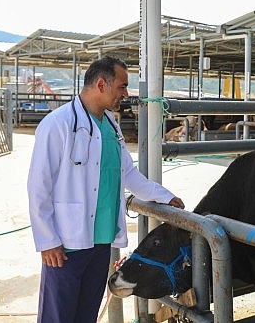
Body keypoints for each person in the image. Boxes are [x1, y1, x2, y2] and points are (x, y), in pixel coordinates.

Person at [27, 56, 185, 323]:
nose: (125, 94)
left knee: (86, 314)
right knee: (58, 316)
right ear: (101, 84)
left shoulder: (111, 126)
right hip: (65, 245)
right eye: (122, 87)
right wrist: (47, 240)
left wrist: (165, 196)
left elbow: (129, 174)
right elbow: (38, 186)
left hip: (100, 242)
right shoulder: (58, 124)